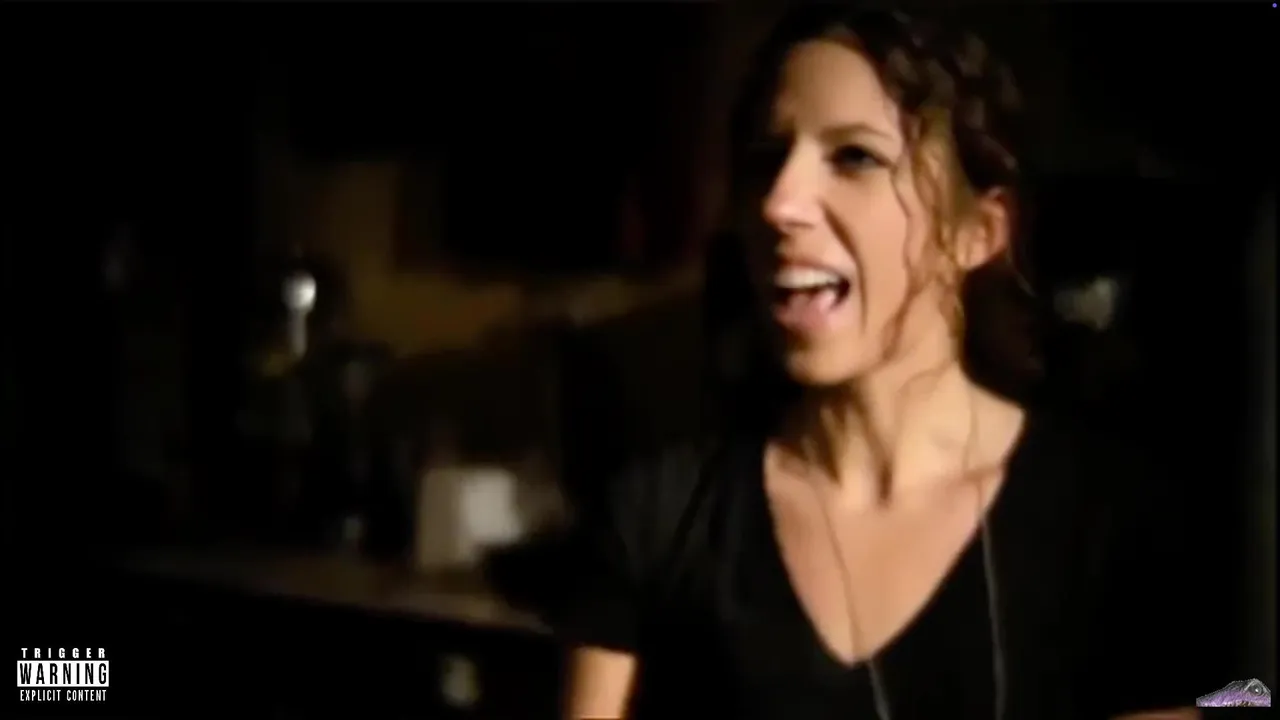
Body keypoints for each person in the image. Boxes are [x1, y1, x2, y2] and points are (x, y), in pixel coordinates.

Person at [557, 7, 1200, 720]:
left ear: (976, 232)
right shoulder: (660, 519)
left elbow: (1237, 697)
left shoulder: (1108, 524)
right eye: (768, 161)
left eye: (855, 157)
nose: (778, 204)